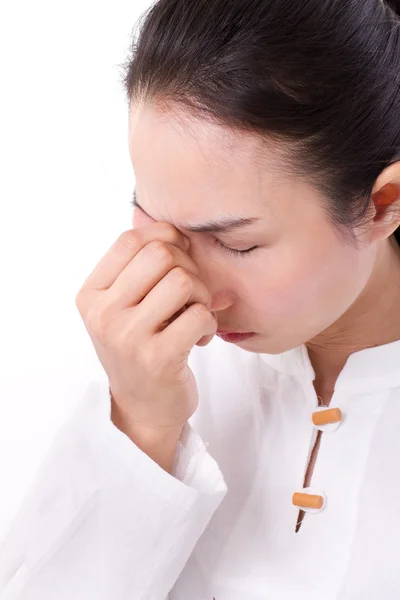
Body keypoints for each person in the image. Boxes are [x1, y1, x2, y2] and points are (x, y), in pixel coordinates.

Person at [1, 0, 400, 597]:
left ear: (383, 204)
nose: (194, 295)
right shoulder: (147, 361)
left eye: (236, 243)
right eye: (152, 217)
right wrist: (139, 426)